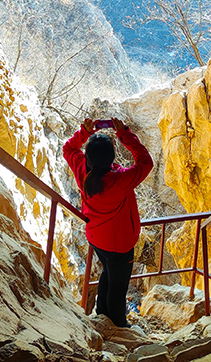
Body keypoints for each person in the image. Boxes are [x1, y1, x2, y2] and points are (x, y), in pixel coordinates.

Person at [63, 117, 153, 328]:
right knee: (118, 287)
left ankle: (102, 312)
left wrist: (84, 132)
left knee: (107, 272)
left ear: (89, 159)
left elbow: (68, 149)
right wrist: (124, 134)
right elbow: (145, 162)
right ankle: (120, 325)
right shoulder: (120, 180)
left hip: (97, 239)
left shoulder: (83, 173)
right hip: (120, 245)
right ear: (112, 157)